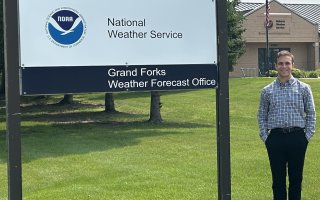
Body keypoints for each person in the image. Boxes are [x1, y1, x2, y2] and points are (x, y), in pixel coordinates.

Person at [258, 50, 316, 200]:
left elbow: (311, 113)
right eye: (281, 63)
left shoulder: (304, 88)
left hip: (298, 138)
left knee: (296, 180)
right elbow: (262, 115)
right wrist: (266, 137)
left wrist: (306, 136)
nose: (284, 66)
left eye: (287, 63)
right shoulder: (267, 91)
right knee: (278, 181)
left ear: (293, 65)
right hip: (275, 139)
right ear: (276, 66)